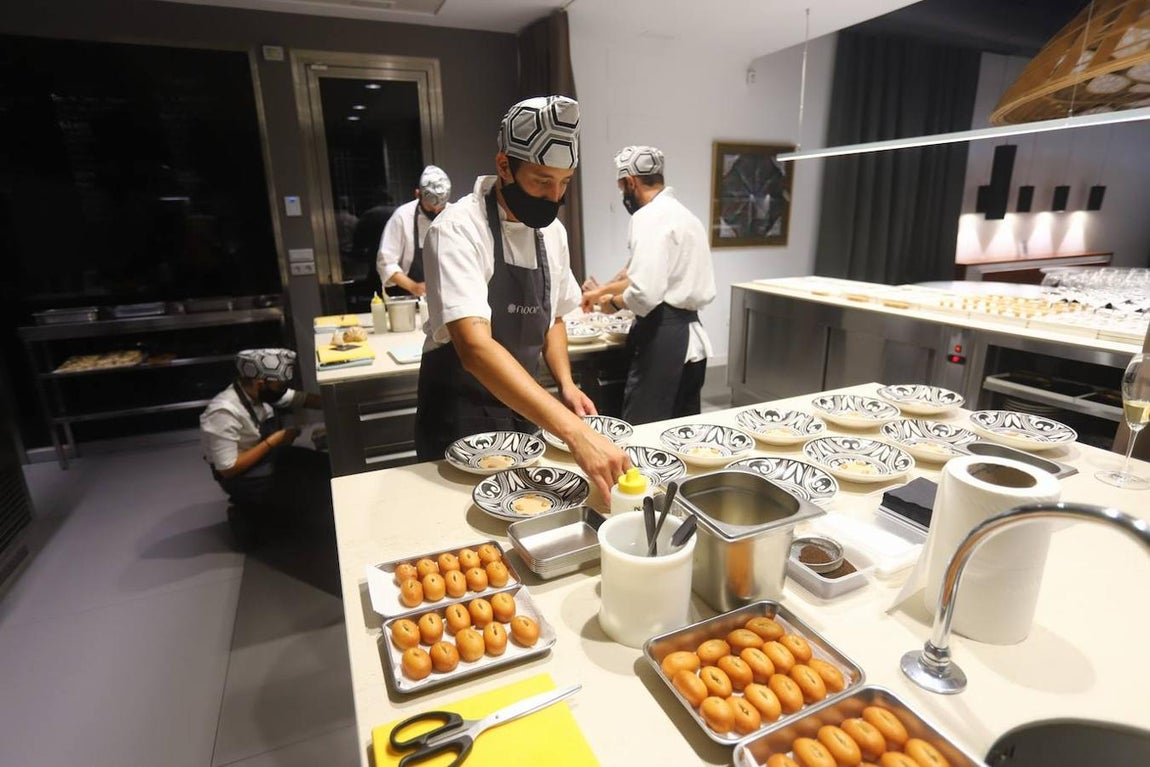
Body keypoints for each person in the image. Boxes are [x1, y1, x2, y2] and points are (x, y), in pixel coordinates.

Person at [414, 95, 628, 500]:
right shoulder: (457, 230)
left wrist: (565, 384)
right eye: (542, 181)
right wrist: (574, 432)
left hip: (523, 408)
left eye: (564, 183)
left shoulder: (552, 233)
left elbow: (555, 318)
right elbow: (474, 348)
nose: (553, 196)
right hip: (460, 413)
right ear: (504, 166)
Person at [583, 145, 716, 425]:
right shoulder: (686, 217)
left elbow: (645, 292)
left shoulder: (647, 217)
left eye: (622, 188)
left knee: (644, 428)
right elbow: (636, 271)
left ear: (630, 182)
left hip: (663, 340)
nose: (623, 195)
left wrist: (613, 304)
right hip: (694, 343)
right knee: (683, 431)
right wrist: (601, 291)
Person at [200, 348, 330, 547]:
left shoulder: (261, 394)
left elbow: (301, 399)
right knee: (315, 491)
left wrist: (334, 402)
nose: (282, 391)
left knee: (325, 467)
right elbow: (228, 469)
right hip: (243, 476)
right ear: (261, 383)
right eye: (279, 386)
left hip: (269, 455)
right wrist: (274, 441)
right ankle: (246, 513)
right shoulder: (224, 412)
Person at [376, 165, 452, 297]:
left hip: (449, 295)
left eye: (441, 208)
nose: (436, 212)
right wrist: (414, 287)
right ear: (418, 194)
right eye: (430, 208)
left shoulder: (455, 215)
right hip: (409, 297)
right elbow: (386, 263)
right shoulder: (402, 217)